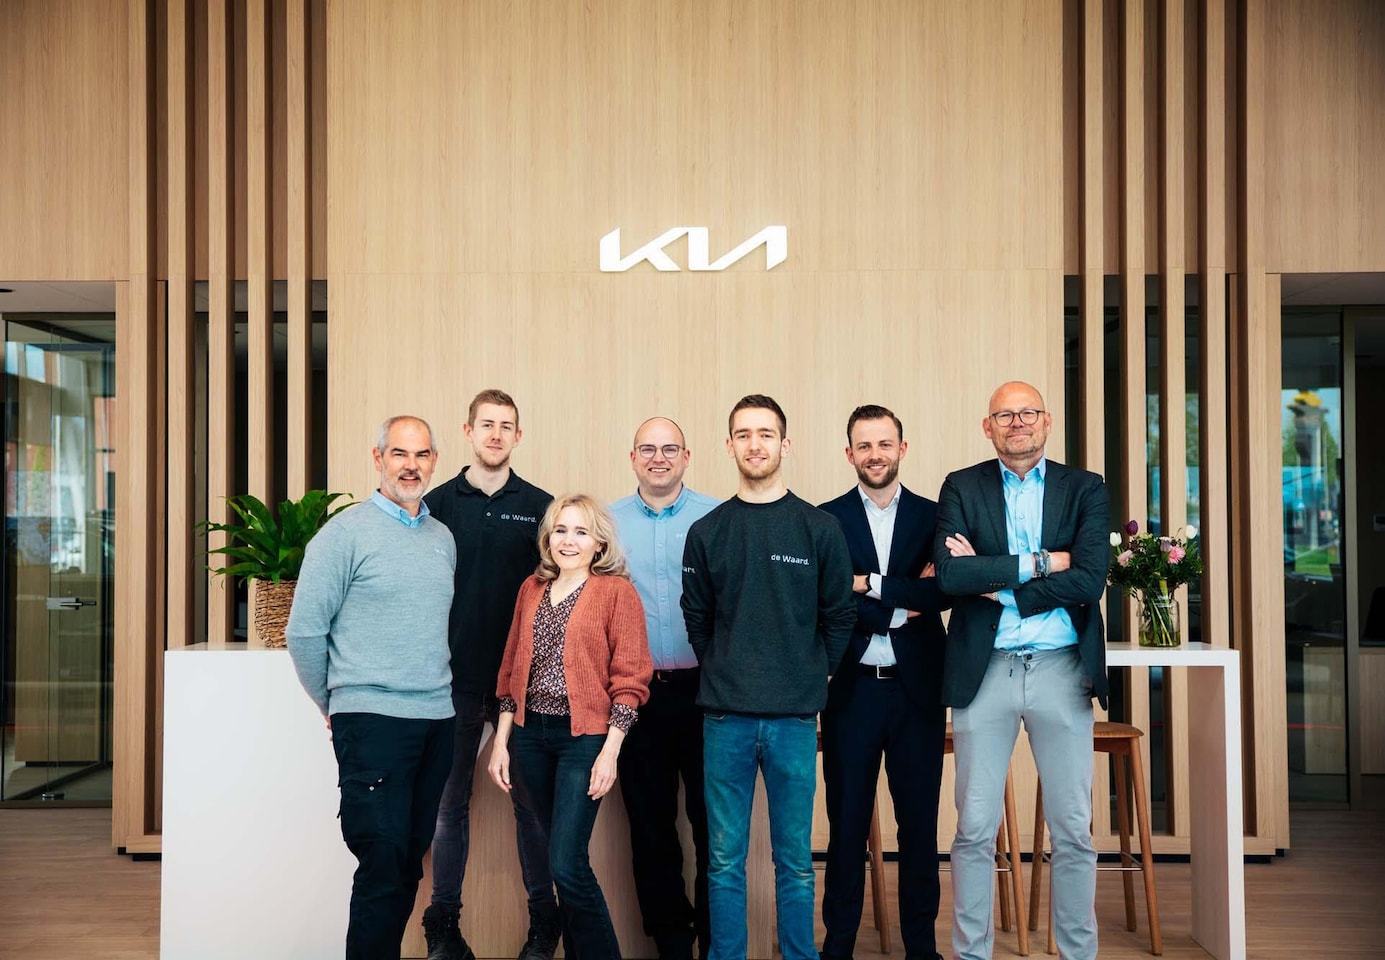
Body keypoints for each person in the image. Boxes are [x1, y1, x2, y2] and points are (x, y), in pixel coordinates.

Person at [932, 381, 1111, 960]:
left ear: (1047, 421)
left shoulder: (1085, 488)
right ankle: (972, 953)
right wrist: (1042, 563)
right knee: (974, 828)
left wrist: (998, 583)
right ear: (988, 427)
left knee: (1073, 829)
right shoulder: (962, 486)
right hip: (985, 670)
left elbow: (1089, 579)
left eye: (1028, 412)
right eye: (1004, 415)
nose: (1017, 423)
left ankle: (1078, 953)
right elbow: (951, 577)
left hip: (1062, 668)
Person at [680, 394, 856, 960]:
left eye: (766, 434)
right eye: (744, 434)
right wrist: (724, 667)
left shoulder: (819, 529)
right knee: (724, 860)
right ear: (729, 445)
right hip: (725, 717)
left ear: (786, 444)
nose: (755, 444)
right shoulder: (708, 531)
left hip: (794, 718)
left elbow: (840, 614)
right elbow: (697, 617)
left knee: (796, 861)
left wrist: (814, 674)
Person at [286, 415, 456, 960]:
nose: (411, 465)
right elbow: (304, 632)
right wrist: (334, 703)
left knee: (407, 861)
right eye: (400, 453)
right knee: (382, 863)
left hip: (436, 720)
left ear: (434, 462)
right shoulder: (343, 535)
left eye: (422, 455)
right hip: (372, 722)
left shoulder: (442, 538)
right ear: (378, 458)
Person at [422, 389, 559, 960]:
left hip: (521, 685)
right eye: (487, 424)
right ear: (468, 431)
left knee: (531, 808)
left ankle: (545, 925)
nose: (496, 434)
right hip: (451, 681)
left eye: (506, 426)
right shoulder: (434, 505)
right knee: (447, 806)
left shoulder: (542, 506)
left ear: (518, 436)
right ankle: (444, 928)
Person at [487, 494, 653, 959]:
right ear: (548, 538)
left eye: (581, 532)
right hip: (529, 737)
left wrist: (610, 751)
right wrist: (501, 743)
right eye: (561, 530)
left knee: (567, 863)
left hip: (585, 739)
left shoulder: (616, 593)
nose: (569, 540)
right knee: (557, 862)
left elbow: (631, 679)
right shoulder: (531, 589)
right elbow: (510, 669)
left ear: (599, 543)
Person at [818, 404, 949, 960]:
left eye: (884, 444)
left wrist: (867, 584)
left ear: (902, 448)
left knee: (918, 827)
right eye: (864, 446)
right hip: (852, 692)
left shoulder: (935, 517)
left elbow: (943, 591)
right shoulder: (825, 520)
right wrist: (901, 604)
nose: (875, 455)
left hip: (918, 693)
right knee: (846, 827)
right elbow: (828, 601)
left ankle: (922, 947)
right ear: (849, 453)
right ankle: (839, 947)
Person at [611, 417, 720, 960]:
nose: (659, 457)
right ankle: (673, 947)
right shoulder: (606, 523)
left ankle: (715, 944)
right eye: (648, 449)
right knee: (651, 829)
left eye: (670, 448)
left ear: (687, 456)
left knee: (714, 828)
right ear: (632, 457)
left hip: (709, 694)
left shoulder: (719, 518)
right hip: (637, 697)